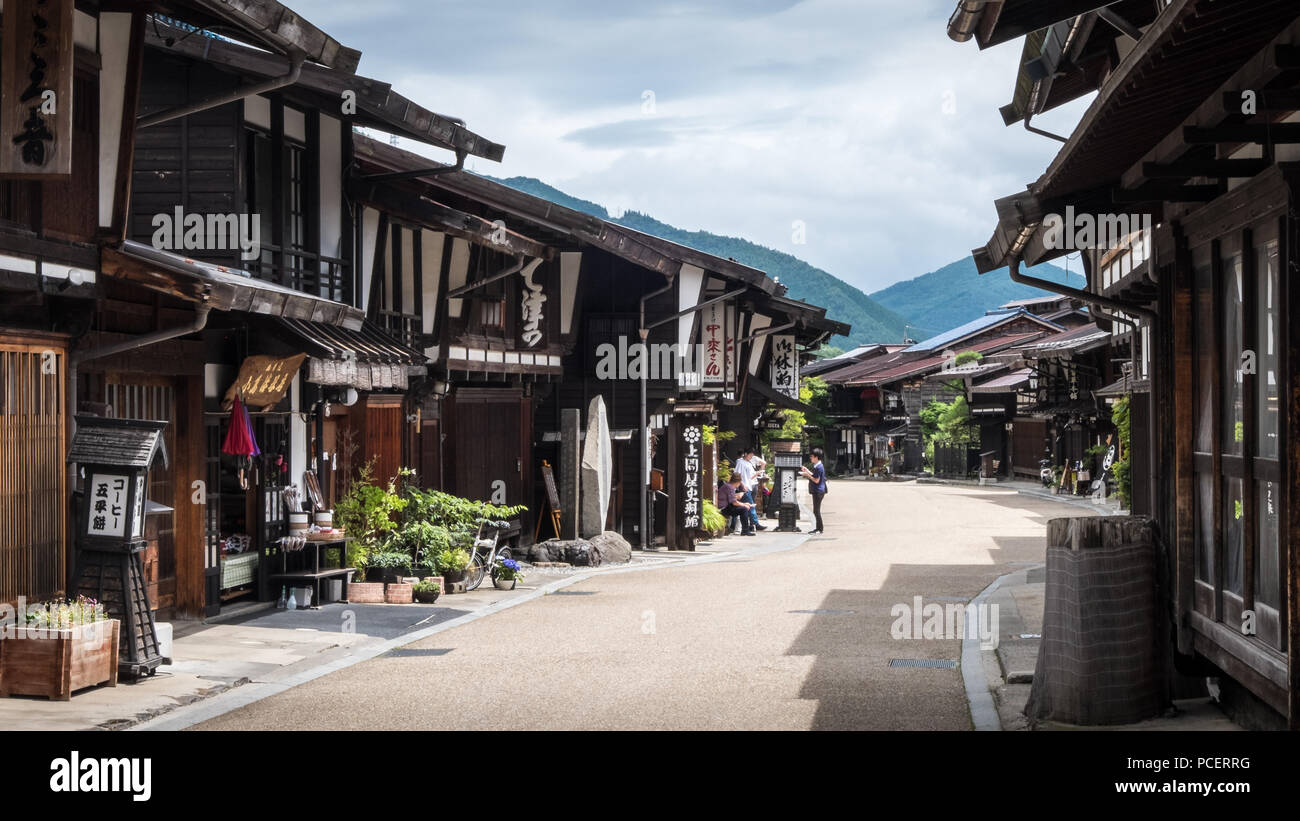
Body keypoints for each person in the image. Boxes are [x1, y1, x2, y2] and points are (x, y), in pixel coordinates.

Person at [735, 446, 768, 532]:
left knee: (747, 507)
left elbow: (749, 476)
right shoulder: (740, 462)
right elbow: (737, 475)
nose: (751, 457)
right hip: (744, 487)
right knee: (751, 505)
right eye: (750, 455)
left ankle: (749, 526)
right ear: (745, 454)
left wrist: (757, 473)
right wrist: (742, 485)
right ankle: (755, 524)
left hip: (748, 486)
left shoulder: (748, 463)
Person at [715, 471, 754, 536]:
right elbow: (734, 502)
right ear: (738, 482)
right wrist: (745, 505)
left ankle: (744, 529)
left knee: (743, 508)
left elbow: (732, 499)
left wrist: (744, 504)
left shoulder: (728, 486)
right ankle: (745, 530)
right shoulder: (730, 487)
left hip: (726, 506)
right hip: (722, 508)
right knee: (744, 509)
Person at [799, 447, 828, 534]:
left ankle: (819, 528)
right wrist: (807, 471)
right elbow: (815, 476)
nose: (810, 458)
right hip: (818, 490)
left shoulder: (819, 467)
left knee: (816, 511)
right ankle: (818, 528)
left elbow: (816, 480)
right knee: (816, 510)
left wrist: (806, 474)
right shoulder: (818, 466)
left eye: (812, 456)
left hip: (818, 491)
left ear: (816, 457)